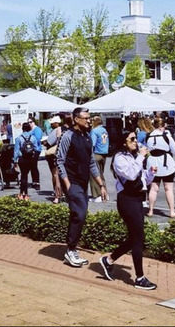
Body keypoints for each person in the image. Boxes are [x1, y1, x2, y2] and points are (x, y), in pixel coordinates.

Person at [98, 131, 157, 290]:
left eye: (136, 139)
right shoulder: (119, 158)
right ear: (123, 142)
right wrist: (141, 157)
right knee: (138, 238)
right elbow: (131, 175)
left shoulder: (133, 156)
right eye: (132, 139)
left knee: (135, 238)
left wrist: (150, 173)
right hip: (127, 200)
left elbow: (142, 179)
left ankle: (108, 260)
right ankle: (139, 277)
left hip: (138, 199)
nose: (135, 142)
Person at [57, 107, 107, 267]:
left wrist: (101, 185)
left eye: (90, 117)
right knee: (79, 213)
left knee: (79, 214)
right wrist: (67, 184)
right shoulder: (68, 136)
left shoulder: (87, 137)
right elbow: (59, 160)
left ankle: (71, 249)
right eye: (86, 118)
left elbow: (91, 162)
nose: (89, 120)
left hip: (83, 181)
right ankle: (71, 251)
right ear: (76, 119)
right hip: (73, 182)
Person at [145, 117, 175, 218]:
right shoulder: (166, 136)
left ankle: (150, 210)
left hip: (152, 163)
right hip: (165, 163)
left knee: (153, 188)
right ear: (161, 126)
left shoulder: (148, 136)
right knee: (168, 188)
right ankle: (172, 212)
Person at [14, 122, 41, 200]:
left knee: (23, 175)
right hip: (30, 158)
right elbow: (36, 148)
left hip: (22, 159)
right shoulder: (33, 138)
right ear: (29, 128)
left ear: (22, 128)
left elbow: (16, 151)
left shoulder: (18, 138)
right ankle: (26, 195)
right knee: (27, 175)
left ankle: (22, 193)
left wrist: (15, 160)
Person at [89, 116, 110, 202]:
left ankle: (97, 195)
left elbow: (92, 144)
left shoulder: (94, 131)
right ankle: (105, 193)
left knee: (94, 174)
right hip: (104, 154)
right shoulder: (104, 130)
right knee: (101, 174)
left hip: (96, 154)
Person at [45, 115, 64, 203]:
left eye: (52, 124)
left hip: (54, 154)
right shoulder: (65, 130)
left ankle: (56, 191)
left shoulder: (55, 130)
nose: (51, 125)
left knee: (54, 173)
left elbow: (49, 142)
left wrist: (45, 143)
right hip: (62, 154)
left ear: (56, 123)